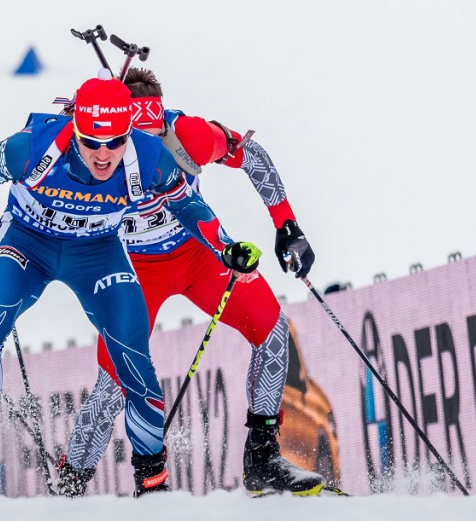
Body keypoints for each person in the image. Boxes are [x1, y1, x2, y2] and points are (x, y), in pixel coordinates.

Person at [0, 71, 262, 497]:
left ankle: (152, 484)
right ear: (75, 129)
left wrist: (226, 248)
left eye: (115, 142)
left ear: (128, 134)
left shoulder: (150, 157)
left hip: (95, 253)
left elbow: (188, 205)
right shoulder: (30, 148)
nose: (104, 156)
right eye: (91, 143)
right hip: (27, 243)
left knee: (131, 355)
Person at [55, 68, 325, 497]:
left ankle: (263, 459)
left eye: (154, 135)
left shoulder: (190, 135)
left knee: (272, 330)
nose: (146, 151)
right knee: (113, 382)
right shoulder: (92, 146)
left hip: (198, 254)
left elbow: (251, 155)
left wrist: (286, 225)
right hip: (134, 269)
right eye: (133, 139)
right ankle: (69, 484)